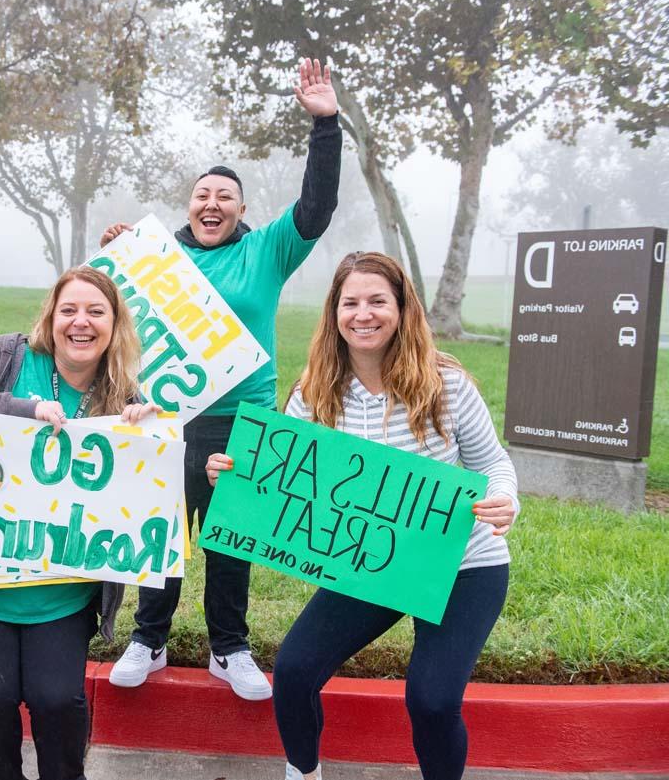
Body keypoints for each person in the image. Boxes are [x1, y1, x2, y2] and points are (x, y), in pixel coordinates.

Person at [204, 251, 519, 780]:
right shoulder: (315, 392)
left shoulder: (447, 382)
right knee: (295, 671)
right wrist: (233, 474)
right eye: (350, 302)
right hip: (371, 566)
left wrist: (505, 498)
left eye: (378, 301)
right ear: (334, 312)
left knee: (433, 700)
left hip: (463, 566)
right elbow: (284, 475)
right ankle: (303, 771)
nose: (363, 314)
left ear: (402, 309)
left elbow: (493, 462)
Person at [101, 57, 341, 700]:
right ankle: (149, 639)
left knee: (230, 543)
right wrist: (118, 253)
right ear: (190, 205)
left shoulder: (267, 250)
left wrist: (325, 127)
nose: (212, 204)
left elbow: (316, 208)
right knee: (159, 534)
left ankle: (228, 648)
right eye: (202, 195)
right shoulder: (158, 259)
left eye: (224, 198)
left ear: (240, 209)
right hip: (166, 419)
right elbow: (106, 312)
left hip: (243, 421)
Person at [0, 265, 159, 780]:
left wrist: (151, 435)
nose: (81, 322)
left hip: (62, 593)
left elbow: (145, 491)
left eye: (96, 312)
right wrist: (20, 409)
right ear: (50, 317)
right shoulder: (8, 359)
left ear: (114, 324)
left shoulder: (123, 397)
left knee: (57, 703)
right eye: (69, 310)